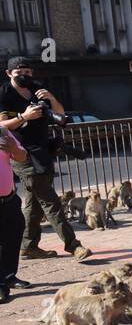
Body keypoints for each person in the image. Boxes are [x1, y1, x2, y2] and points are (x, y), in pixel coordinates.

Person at [0, 56, 90, 261]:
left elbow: (60, 114)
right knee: (49, 200)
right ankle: (73, 245)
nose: (24, 76)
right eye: (19, 73)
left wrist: (51, 98)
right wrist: (24, 117)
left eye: (28, 72)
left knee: (35, 203)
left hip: (43, 150)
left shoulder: (37, 89)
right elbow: (1, 126)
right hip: (19, 152)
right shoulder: (4, 93)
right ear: (9, 73)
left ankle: (28, 246)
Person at [0, 121, 28, 303]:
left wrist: (11, 146)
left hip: (9, 198)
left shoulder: (2, 131)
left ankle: (9, 276)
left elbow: (22, 156)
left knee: (13, 236)